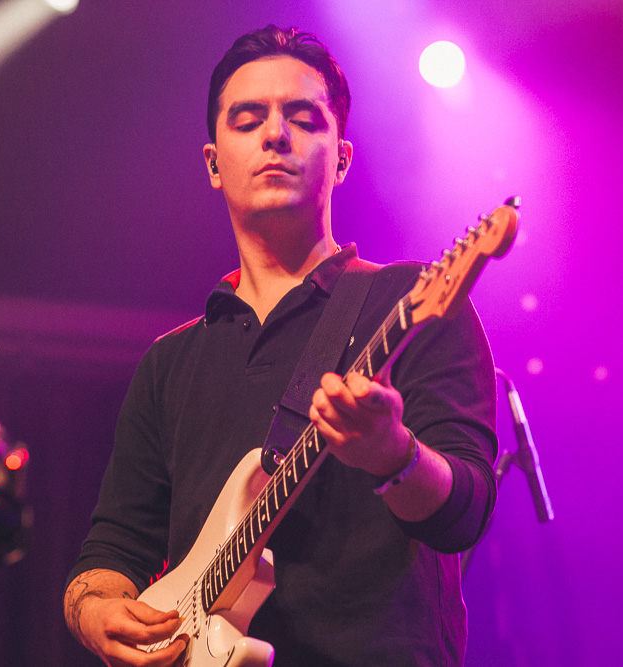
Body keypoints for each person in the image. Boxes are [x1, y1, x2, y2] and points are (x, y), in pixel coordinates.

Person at [64, 25, 498, 666]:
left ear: (341, 158)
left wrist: (394, 455)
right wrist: (95, 611)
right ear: (213, 163)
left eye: (302, 118)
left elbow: (465, 513)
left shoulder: (411, 300)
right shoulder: (169, 363)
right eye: (247, 120)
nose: (275, 135)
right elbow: (113, 548)